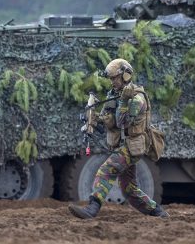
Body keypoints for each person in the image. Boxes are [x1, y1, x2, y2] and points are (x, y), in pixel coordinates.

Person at [69, 58, 168, 219]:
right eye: (111, 78)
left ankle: (92, 209)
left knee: (107, 170)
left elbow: (124, 121)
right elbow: (112, 120)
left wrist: (123, 102)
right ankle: (158, 212)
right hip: (122, 145)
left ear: (126, 76)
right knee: (129, 189)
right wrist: (97, 119)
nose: (112, 82)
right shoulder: (115, 95)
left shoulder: (137, 98)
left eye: (115, 78)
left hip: (132, 146)